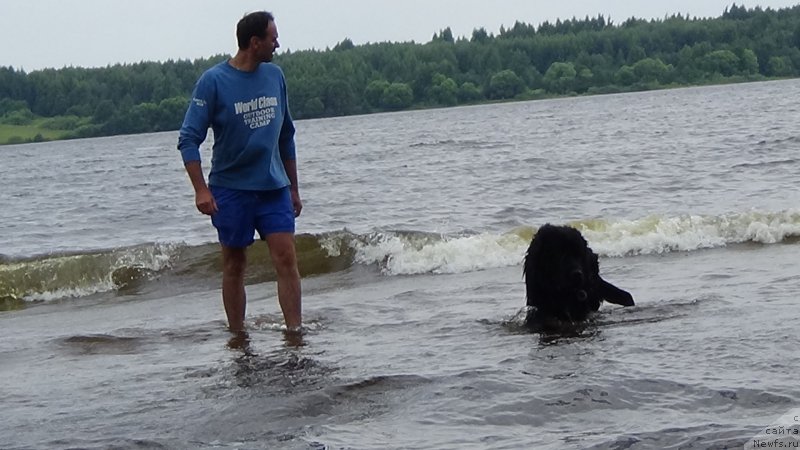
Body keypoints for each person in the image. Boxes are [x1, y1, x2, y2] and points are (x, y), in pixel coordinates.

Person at [177, 11, 302, 334]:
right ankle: (238, 335)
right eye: (273, 38)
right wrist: (201, 190)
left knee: (286, 258)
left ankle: (295, 333)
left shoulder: (275, 76)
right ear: (254, 42)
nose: (278, 44)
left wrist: (293, 188)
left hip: (274, 187)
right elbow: (188, 139)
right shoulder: (213, 81)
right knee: (235, 263)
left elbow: (286, 135)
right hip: (231, 189)